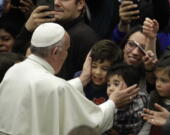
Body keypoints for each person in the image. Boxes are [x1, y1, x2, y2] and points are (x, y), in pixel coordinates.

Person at [0, 22, 139, 135]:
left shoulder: (14, 70)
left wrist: (82, 79)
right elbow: (91, 123)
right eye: (67, 50)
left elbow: (47, 93)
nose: (66, 55)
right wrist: (113, 102)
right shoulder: (56, 86)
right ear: (56, 52)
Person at [12, 0, 100, 80]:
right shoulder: (44, 29)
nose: (56, 3)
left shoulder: (85, 37)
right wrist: (27, 29)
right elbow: (15, 62)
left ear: (80, 4)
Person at [138, 55, 170, 135]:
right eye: (156, 78)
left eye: (164, 81)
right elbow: (148, 124)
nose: (157, 84)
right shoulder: (154, 97)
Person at [104, 63, 148, 135]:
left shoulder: (142, 98)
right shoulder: (109, 109)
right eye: (108, 85)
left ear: (132, 87)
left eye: (116, 84)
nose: (110, 89)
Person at [75, 40, 122, 105]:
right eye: (94, 66)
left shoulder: (114, 87)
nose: (98, 72)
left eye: (104, 69)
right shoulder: (79, 77)